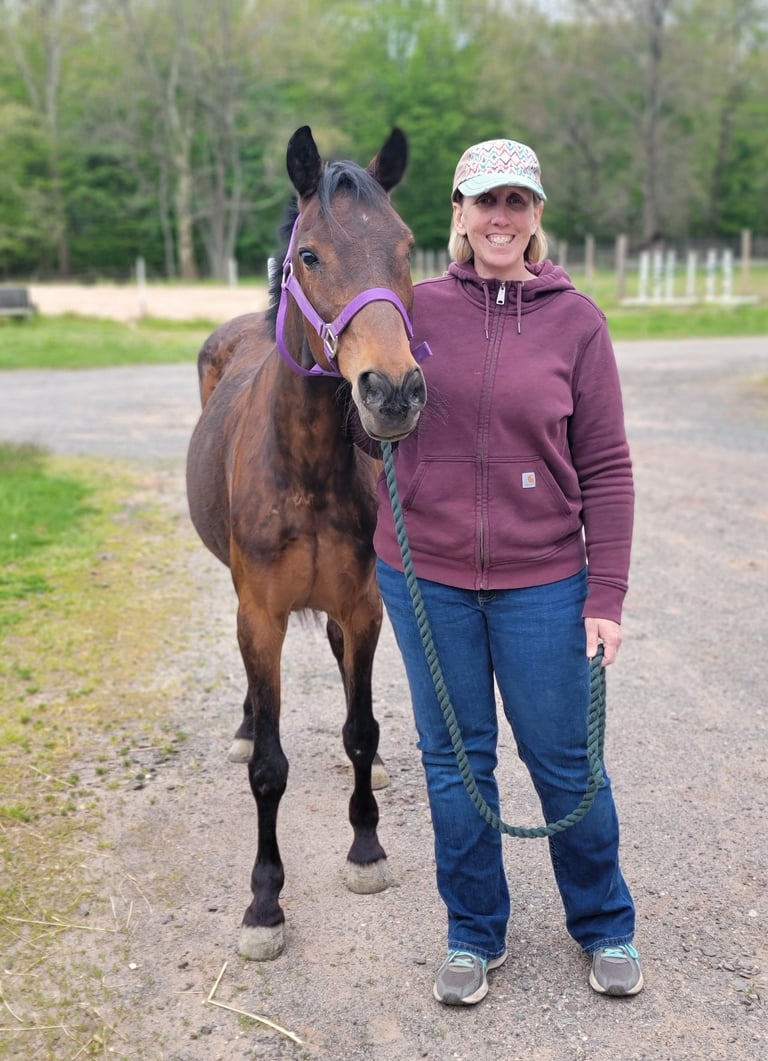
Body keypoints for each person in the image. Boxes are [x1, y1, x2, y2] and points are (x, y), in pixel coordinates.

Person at [363, 138, 642, 1005]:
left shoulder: (577, 322)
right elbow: (359, 395)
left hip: (543, 580)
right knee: (455, 764)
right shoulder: (414, 308)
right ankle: (473, 933)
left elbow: (607, 466)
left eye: (517, 201)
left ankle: (605, 923)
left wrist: (606, 592)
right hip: (426, 578)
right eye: (485, 201)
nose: (500, 217)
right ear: (459, 212)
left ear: (535, 216)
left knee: (565, 762)